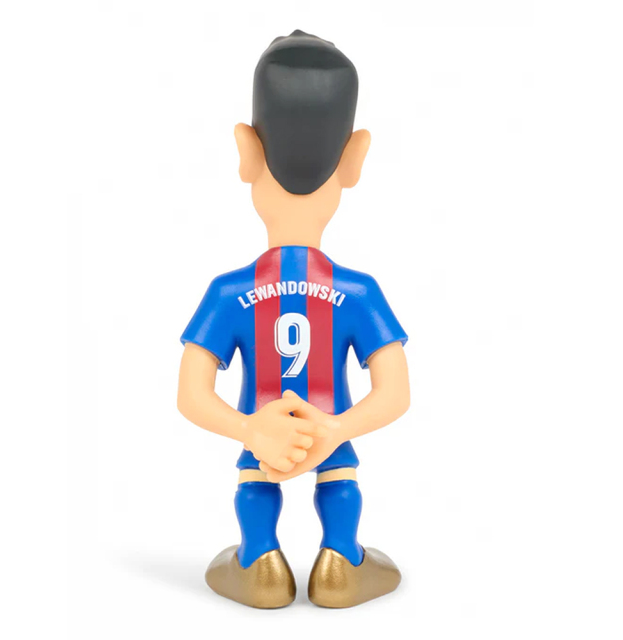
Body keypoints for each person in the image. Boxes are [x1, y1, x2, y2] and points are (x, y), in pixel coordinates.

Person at [177, 30, 410, 608]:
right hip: (334, 429)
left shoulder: (229, 293)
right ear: (353, 161)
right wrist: (334, 429)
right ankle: (341, 561)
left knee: (255, 481)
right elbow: (396, 393)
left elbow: (190, 396)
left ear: (247, 154)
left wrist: (252, 429)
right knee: (340, 480)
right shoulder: (358, 292)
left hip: (263, 432)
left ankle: (260, 561)